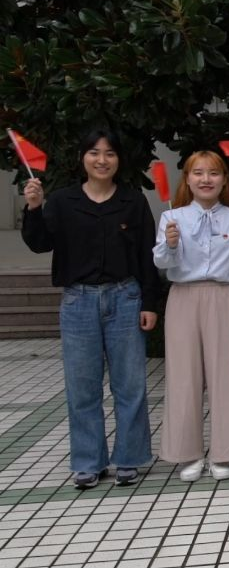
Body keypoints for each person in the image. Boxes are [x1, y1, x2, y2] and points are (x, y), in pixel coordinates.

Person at [21, 128, 159, 489]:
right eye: (94, 152)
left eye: (110, 153)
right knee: (82, 387)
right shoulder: (63, 201)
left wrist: (149, 303)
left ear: (119, 159)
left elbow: (147, 254)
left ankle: (129, 457)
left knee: (130, 385)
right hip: (78, 301)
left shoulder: (133, 201)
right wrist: (34, 209)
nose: (102, 160)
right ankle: (88, 461)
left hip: (125, 298)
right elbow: (39, 244)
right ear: (83, 157)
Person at [153, 151, 229, 482]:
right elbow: (162, 263)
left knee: (225, 376)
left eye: (213, 173)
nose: (206, 179)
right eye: (198, 173)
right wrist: (170, 245)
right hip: (183, 297)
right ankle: (189, 453)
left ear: (224, 180)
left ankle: (223, 453)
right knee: (183, 377)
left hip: (224, 297)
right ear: (187, 179)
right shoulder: (173, 217)